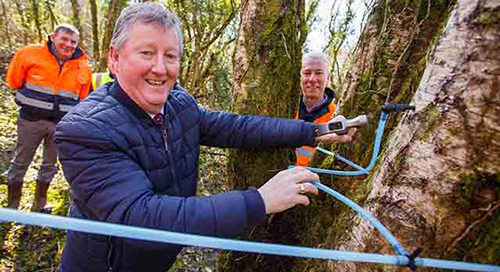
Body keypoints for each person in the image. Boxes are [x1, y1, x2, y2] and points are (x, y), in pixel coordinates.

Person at [54, 3, 355, 272]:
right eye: (146, 53)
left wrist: (314, 130)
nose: (160, 68)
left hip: (158, 259)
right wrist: (260, 201)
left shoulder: (178, 103)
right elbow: (142, 216)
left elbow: (236, 128)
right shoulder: (83, 130)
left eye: (170, 56)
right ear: (115, 59)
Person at [5, 24, 91, 212]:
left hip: (61, 126)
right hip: (30, 121)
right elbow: (13, 80)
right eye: (64, 39)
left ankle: (39, 207)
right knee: (20, 163)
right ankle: (11, 209)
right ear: (53, 37)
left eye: (73, 42)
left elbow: (84, 100)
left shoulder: (83, 67)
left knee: (49, 166)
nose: (68, 45)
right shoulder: (29, 54)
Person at [295, 52, 336, 166]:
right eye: (307, 73)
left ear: (328, 77)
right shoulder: (287, 108)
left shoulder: (335, 116)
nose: (312, 79)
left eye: (319, 73)